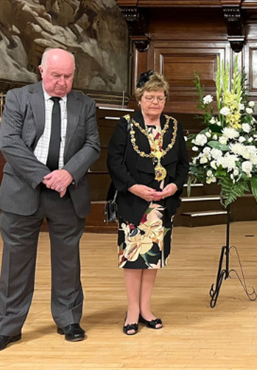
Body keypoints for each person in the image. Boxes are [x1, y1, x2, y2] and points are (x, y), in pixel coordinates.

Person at [0, 48, 100, 353]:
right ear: (41, 71)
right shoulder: (18, 97)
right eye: (56, 75)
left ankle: (69, 319)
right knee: (15, 263)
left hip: (67, 194)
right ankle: (7, 327)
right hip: (24, 190)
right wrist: (46, 176)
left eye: (68, 76)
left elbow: (92, 144)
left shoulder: (84, 104)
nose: (62, 82)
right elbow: (8, 141)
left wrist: (68, 174)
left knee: (67, 261)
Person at [107, 71, 189, 335]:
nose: (155, 102)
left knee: (153, 259)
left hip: (161, 204)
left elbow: (184, 163)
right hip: (133, 201)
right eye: (150, 97)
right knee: (133, 258)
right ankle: (132, 311)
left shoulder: (173, 126)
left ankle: (145, 309)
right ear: (140, 99)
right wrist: (133, 187)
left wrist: (174, 185)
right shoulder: (126, 124)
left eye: (160, 98)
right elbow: (114, 161)